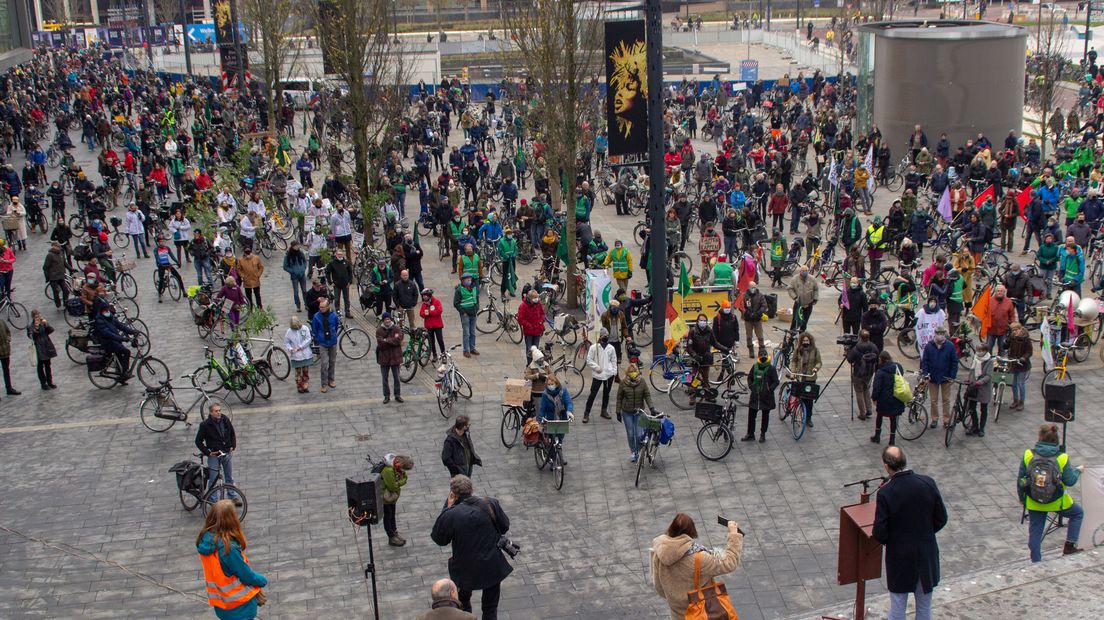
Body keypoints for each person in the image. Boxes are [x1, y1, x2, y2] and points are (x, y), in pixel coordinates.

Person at [872, 446, 948, 620]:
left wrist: (895, 539)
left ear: (886, 466)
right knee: (924, 607)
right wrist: (925, 532)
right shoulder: (927, 483)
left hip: (900, 558)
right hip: (925, 555)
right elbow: (941, 518)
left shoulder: (886, 492)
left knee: (898, 605)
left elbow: (880, 532)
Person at [430, 475, 512, 620]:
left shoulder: (451, 514)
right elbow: (504, 526)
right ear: (472, 489)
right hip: (491, 565)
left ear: (453, 494)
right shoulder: (490, 503)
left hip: (464, 569)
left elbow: (439, 538)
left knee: (463, 605)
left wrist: (446, 508)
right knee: (490, 608)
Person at [650, 513, 743, 620]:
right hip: (700, 613)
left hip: (677, 614)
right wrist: (733, 535)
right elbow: (730, 562)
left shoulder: (659, 553)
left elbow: (659, 587)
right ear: (692, 531)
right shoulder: (700, 558)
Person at [1020, 423, 1086, 562]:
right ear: (1056, 440)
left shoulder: (1028, 454)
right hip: (1057, 501)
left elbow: (1020, 480)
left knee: (1035, 531)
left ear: (1040, 438)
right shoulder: (1062, 457)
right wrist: (1078, 470)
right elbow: (1070, 481)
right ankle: (1069, 546)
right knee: (1078, 513)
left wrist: (1022, 499)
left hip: (1034, 500)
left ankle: (1036, 561)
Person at [196, 499, 267, 619]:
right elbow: (246, 576)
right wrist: (262, 580)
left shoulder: (205, 541)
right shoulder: (228, 548)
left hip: (221, 604)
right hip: (239, 605)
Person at [194, 402, 242, 506]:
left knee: (229, 476)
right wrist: (208, 452)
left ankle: (233, 496)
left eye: (219, 410)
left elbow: (232, 432)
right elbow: (198, 441)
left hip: (226, 452)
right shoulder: (205, 425)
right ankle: (214, 500)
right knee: (213, 478)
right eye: (216, 411)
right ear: (211, 413)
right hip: (214, 455)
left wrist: (233, 445)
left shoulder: (225, 419)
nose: (219, 412)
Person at [920, 326, 958, 428]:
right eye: (938, 333)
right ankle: (934, 419)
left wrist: (952, 376)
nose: (940, 335)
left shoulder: (950, 346)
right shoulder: (929, 346)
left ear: (944, 334)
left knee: (946, 400)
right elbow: (925, 362)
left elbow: (954, 362)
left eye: (942, 333)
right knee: (933, 400)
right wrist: (926, 374)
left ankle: (946, 420)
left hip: (946, 378)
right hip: (933, 377)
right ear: (935, 334)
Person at [616, 362, 654, 461]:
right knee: (630, 433)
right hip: (627, 412)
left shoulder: (642, 382)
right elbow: (619, 398)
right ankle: (634, 452)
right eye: (631, 372)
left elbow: (647, 395)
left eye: (634, 371)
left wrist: (651, 408)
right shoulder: (623, 383)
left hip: (639, 411)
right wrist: (617, 411)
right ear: (628, 373)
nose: (633, 373)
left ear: (637, 372)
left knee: (639, 434)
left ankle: (638, 449)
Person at [583, 328, 618, 422]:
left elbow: (614, 360)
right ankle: (586, 413)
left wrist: (614, 372)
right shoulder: (594, 348)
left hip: (608, 375)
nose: (605, 337)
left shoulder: (611, 348)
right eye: (604, 335)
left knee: (606, 394)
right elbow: (589, 360)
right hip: (598, 375)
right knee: (592, 394)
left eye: (607, 335)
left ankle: (604, 410)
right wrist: (597, 367)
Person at [870, 351, 905, 445]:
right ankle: (892, 440)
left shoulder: (880, 372)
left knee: (880, 415)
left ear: (881, 359)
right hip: (896, 397)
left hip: (883, 399)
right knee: (893, 418)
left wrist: (874, 398)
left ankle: (877, 436)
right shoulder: (898, 367)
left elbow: (877, 387)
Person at [93, 305, 135, 381]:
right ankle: (124, 373)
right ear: (102, 312)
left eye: (108, 310)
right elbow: (108, 334)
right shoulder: (99, 321)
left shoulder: (110, 317)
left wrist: (132, 331)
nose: (108, 312)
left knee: (120, 356)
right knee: (126, 352)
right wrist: (122, 338)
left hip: (114, 341)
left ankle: (121, 377)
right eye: (106, 311)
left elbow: (121, 326)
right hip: (107, 342)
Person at [380, 454, 414, 547]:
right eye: (404, 469)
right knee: (388, 516)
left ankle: (394, 532)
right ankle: (391, 537)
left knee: (392, 516)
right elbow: (393, 486)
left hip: (393, 497)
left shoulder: (397, 468)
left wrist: (399, 481)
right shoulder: (388, 470)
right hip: (386, 497)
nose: (404, 471)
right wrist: (401, 482)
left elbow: (404, 477)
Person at [744, 353, 779, 442]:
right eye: (761, 355)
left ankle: (763, 434)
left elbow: (776, 381)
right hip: (755, 395)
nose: (763, 357)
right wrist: (751, 386)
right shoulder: (755, 366)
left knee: (765, 416)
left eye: (764, 355)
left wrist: (769, 390)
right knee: (751, 415)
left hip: (766, 397)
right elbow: (750, 377)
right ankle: (750, 434)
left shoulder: (771, 368)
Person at [847, 330, 880, 421]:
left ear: (860, 337)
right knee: (866, 389)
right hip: (869, 373)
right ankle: (869, 410)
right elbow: (877, 357)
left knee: (859, 392)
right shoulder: (873, 347)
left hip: (858, 373)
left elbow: (850, 360)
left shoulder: (856, 348)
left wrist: (848, 351)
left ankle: (862, 413)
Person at [311, 298, 340, 393]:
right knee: (324, 363)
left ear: (328, 307)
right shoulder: (316, 317)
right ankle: (323, 383)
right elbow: (314, 329)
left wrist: (333, 335)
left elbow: (336, 326)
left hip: (332, 341)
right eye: (320, 307)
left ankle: (331, 379)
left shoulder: (333, 315)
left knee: (332, 361)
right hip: (323, 342)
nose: (321, 309)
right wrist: (320, 338)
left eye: (323, 307)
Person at [966, 343, 994, 437]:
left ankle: (982, 428)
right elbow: (971, 370)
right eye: (978, 350)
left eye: (981, 350)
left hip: (983, 388)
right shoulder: (975, 358)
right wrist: (970, 379)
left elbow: (989, 375)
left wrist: (980, 382)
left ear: (985, 351)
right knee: (972, 407)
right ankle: (975, 426)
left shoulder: (989, 361)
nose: (979, 352)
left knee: (984, 408)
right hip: (974, 387)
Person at [376, 312, 404, 403]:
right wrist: (393, 341)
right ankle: (386, 396)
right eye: (385, 319)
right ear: (383, 321)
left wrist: (386, 340)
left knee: (397, 378)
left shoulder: (396, 328)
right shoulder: (379, 330)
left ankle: (397, 395)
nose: (387, 321)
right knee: (385, 378)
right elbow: (381, 344)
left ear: (390, 319)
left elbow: (399, 340)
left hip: (395, 357)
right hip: (384, 358)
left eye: (388, 319)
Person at [26, 310, 57, 390]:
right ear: (33, 317)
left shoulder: (43, 322)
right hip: (38, 347)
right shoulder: (30, 326)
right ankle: (43, 383)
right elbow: (31, 337)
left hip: (46, 345)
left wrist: (46, 325)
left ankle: (50, 382)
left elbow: (51, 330)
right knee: (40, 366)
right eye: (36, 317)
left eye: (39, 316)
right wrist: (36, 329)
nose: (38, 318)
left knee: (48, 365)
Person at [1006, 322, 1032, 411]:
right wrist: (1006, 342)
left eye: (1016, 330)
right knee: (1013, 383)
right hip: (1013, 363)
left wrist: (1023, 358)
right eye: (1013, 330)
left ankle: (1021, 402)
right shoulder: (1012, 337)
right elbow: (1006, 347)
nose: (1014, 332)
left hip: (1022, 365)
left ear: (1020, 329)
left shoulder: (1026, 339)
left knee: (1020, 383)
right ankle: (1015, 400)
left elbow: (1029, 352)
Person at [285, 316, 313, 393]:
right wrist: (291, 349)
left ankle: (305, 385)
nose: (296, 328)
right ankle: (299, 386)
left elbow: (308, 339)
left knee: (305, 371)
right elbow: (287, 342)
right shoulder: (289, 332)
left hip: (305, 354)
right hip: (296, 356)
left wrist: (301, 347)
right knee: (298, 372)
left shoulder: (305, 328)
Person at [454, 274, 479, 358]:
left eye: (470, 279)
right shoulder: (459, 290)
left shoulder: (474, 288)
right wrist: (463, 312)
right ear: (462, 281)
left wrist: (476, 308)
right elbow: (456, 303)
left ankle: (472, 348)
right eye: (467, 279)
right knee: (466, 333)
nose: (469, 280)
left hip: (473, 313)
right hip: (465, 315)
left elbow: (477, 298)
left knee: (473, 332)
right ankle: (466, 350)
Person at [741, 281, 769, 357]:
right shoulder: (745, 296)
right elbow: (742, 306)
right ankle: (751, 350)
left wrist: (758, 313)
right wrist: (748, 313)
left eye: (754, 287)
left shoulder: (760, 296)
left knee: (760, 336)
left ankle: (762, 350)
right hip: (748, 319)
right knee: (749, 336)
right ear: (748, 287)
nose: (753, 289)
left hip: (757, 319)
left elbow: (764, 305)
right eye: (751, 287)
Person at [986, 285, 1016, 354]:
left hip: (1003, 330)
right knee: (988, 348)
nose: (999, 292)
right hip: (991, 330)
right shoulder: (989, 301)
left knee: (1002, 349)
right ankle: (988, 363)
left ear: (1004, 292)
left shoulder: (1009, 302)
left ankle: (1001, 364)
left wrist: (1013, 325)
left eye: (1001, 291)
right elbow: (984, 313)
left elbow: (1012, 315)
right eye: (998, 291)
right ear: (995, 292)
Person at [516, 288, 545, 362]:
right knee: (529, 350)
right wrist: (529, 325)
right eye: (534, 297)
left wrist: (541, 321)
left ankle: (535, 364)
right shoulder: (523, 306)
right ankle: (529, 364)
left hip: (537, 330)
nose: (536, 299)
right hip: (529, 331)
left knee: (536, 349)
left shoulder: (538, 304)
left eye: (537, 297)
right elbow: (521, 319)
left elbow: (542, 314)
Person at [325, 248, 355, 318]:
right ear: (336, 254)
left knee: (346, 299)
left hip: (345, 284)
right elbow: (327, 272)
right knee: (337, 299)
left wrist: (349, 282)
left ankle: (347, 312)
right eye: (338, 254)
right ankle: (337, 312)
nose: (340, 256)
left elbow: (350, 272)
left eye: (341, 254)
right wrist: (330, 282)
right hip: (337, 285)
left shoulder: (346, 262)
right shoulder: (332, 263)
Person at [787, 265, 818, 331]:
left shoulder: (812, 279)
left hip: (808, 304)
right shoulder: (794, 279)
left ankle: (802, 336)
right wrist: (794, 297)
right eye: (803, 271)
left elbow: (816, 289)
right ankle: (791, 337)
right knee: (795, 321)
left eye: (806, 271)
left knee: (804, 322)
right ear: (800, 271)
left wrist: (815, 298)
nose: (805, 272)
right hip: (798, 304)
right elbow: (790, 288)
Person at [420, 288, 446, 360]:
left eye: (425, 295)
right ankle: (434, 355)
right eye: (423, 296)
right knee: (431, 342)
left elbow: (439, 311)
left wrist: (429, 312)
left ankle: (443, 355)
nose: (424, 297)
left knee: (440, 340)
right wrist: (427, 313)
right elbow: (421, 314)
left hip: (437, 325)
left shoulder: (436, 301)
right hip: (429, 326)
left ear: (429, 295)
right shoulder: (424, 304)